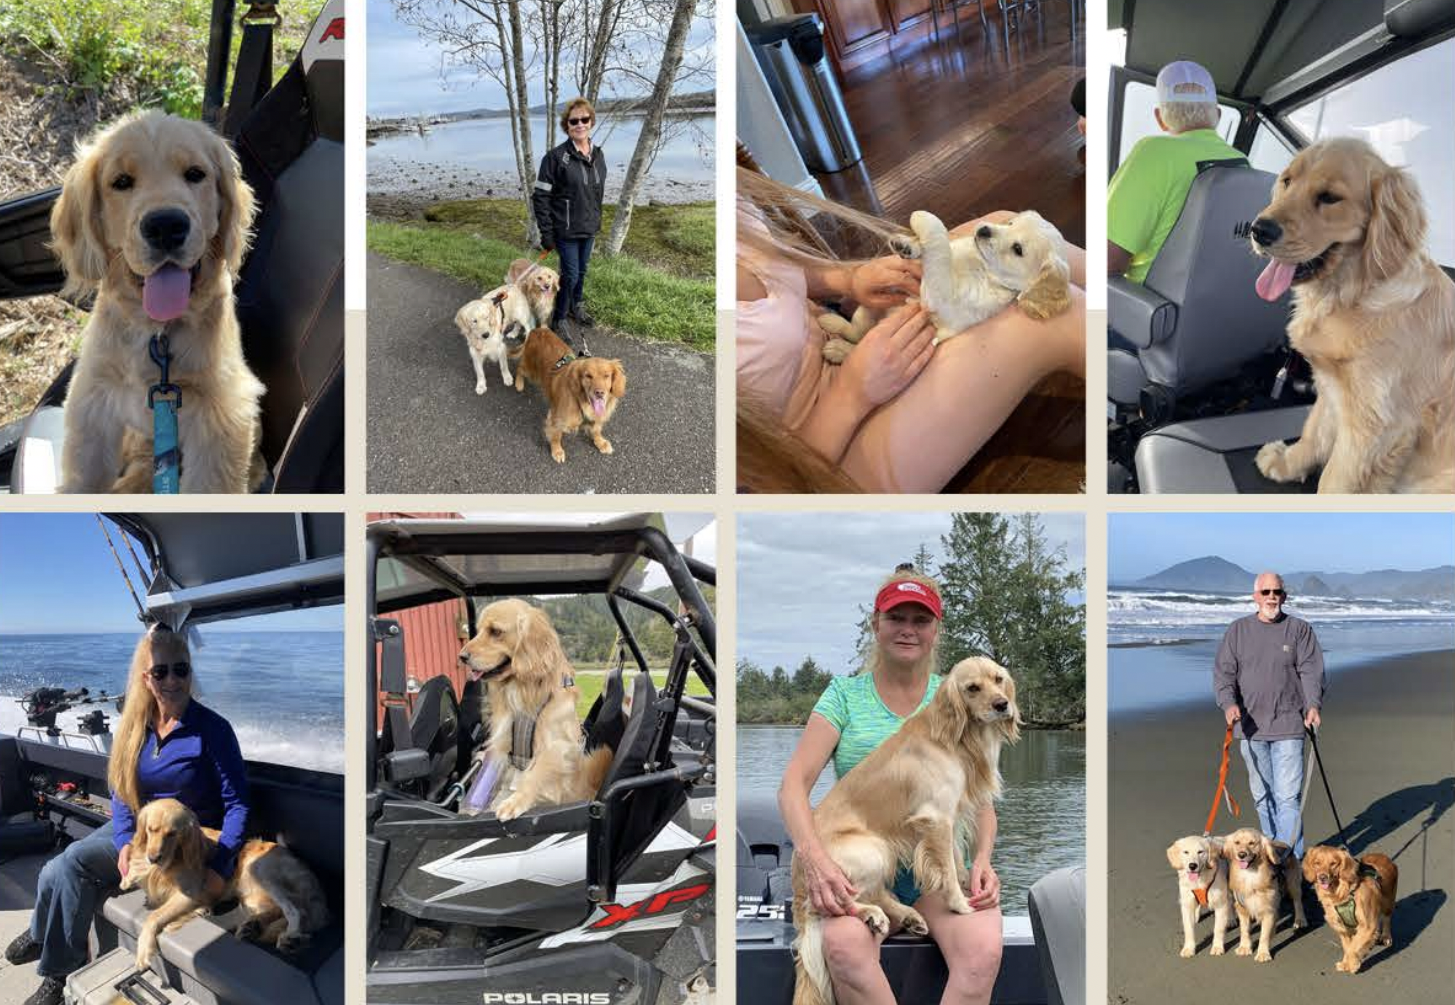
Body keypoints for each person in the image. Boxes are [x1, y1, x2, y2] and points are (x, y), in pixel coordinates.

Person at [737, 169, 1086, 493]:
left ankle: (1133, 323)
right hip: (815, 456)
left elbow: (767, 262)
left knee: (998, 224)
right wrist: (850, 393)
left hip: (844, 350)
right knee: (1056, 315)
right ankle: (1137, 395)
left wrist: (845, 279)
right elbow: (766, 486)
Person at [779, 570, 1003, 1005]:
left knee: (983, 953)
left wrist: (982, 859)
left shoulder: (963, 692)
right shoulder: (844, 697)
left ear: (936, 630)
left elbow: (982, 802)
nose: (907, 629)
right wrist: (817, 864)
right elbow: (792, 788)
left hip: (938, 879)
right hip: (859, 877)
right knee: (843, 948)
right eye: (896, 617)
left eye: (920, 620)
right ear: (875, 624)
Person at [5, 625, 249, 1005]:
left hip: (184, 841)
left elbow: (237, 805)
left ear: (190, 672)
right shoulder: (136, 726)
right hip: (141, 830)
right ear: (145, 678)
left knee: (71, 864)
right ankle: (41, 934)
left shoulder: (213, 730)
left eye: (180, 669)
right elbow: (120, 793)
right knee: (55, 868)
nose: (171, 680)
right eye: (160, 671)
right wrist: (122, 842)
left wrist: (221, 861)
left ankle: (59, 973)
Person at [1214, 572, 1325, 860]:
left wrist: (1313, 704)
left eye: (1277, 591)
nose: (1271, 596)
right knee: (1263, 798)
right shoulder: (1237, 631)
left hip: (1290, 725)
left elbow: (1311, 671)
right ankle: (1272, 856)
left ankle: (1291, 863)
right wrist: (1228, 705)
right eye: (1265, 592)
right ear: (1255, 596)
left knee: (1288, 798)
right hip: (1250, 730)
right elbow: (1224, 675)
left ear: (1284, 596)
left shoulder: (1299, 630)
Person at [1107, 60, 1243, 282]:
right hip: (1214, 306)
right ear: (1217, 115)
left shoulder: (1153, 153)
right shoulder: (1243, 164)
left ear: (1160, 118)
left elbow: (1107, 261)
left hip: (1143, 310)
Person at [532, 97, 607, 335]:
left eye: (584, 119)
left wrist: (597, 219)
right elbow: (540, 197)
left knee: (582, 272)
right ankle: (560, 317)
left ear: (591, 121)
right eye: (574, 121)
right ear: (567, 126)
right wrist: (547, 232)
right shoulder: (555, 158)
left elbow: (597, 193)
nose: (580, 124)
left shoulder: (598, 155)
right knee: (570, 274)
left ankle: (577, 306)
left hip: (589, 227)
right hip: (565, 230)